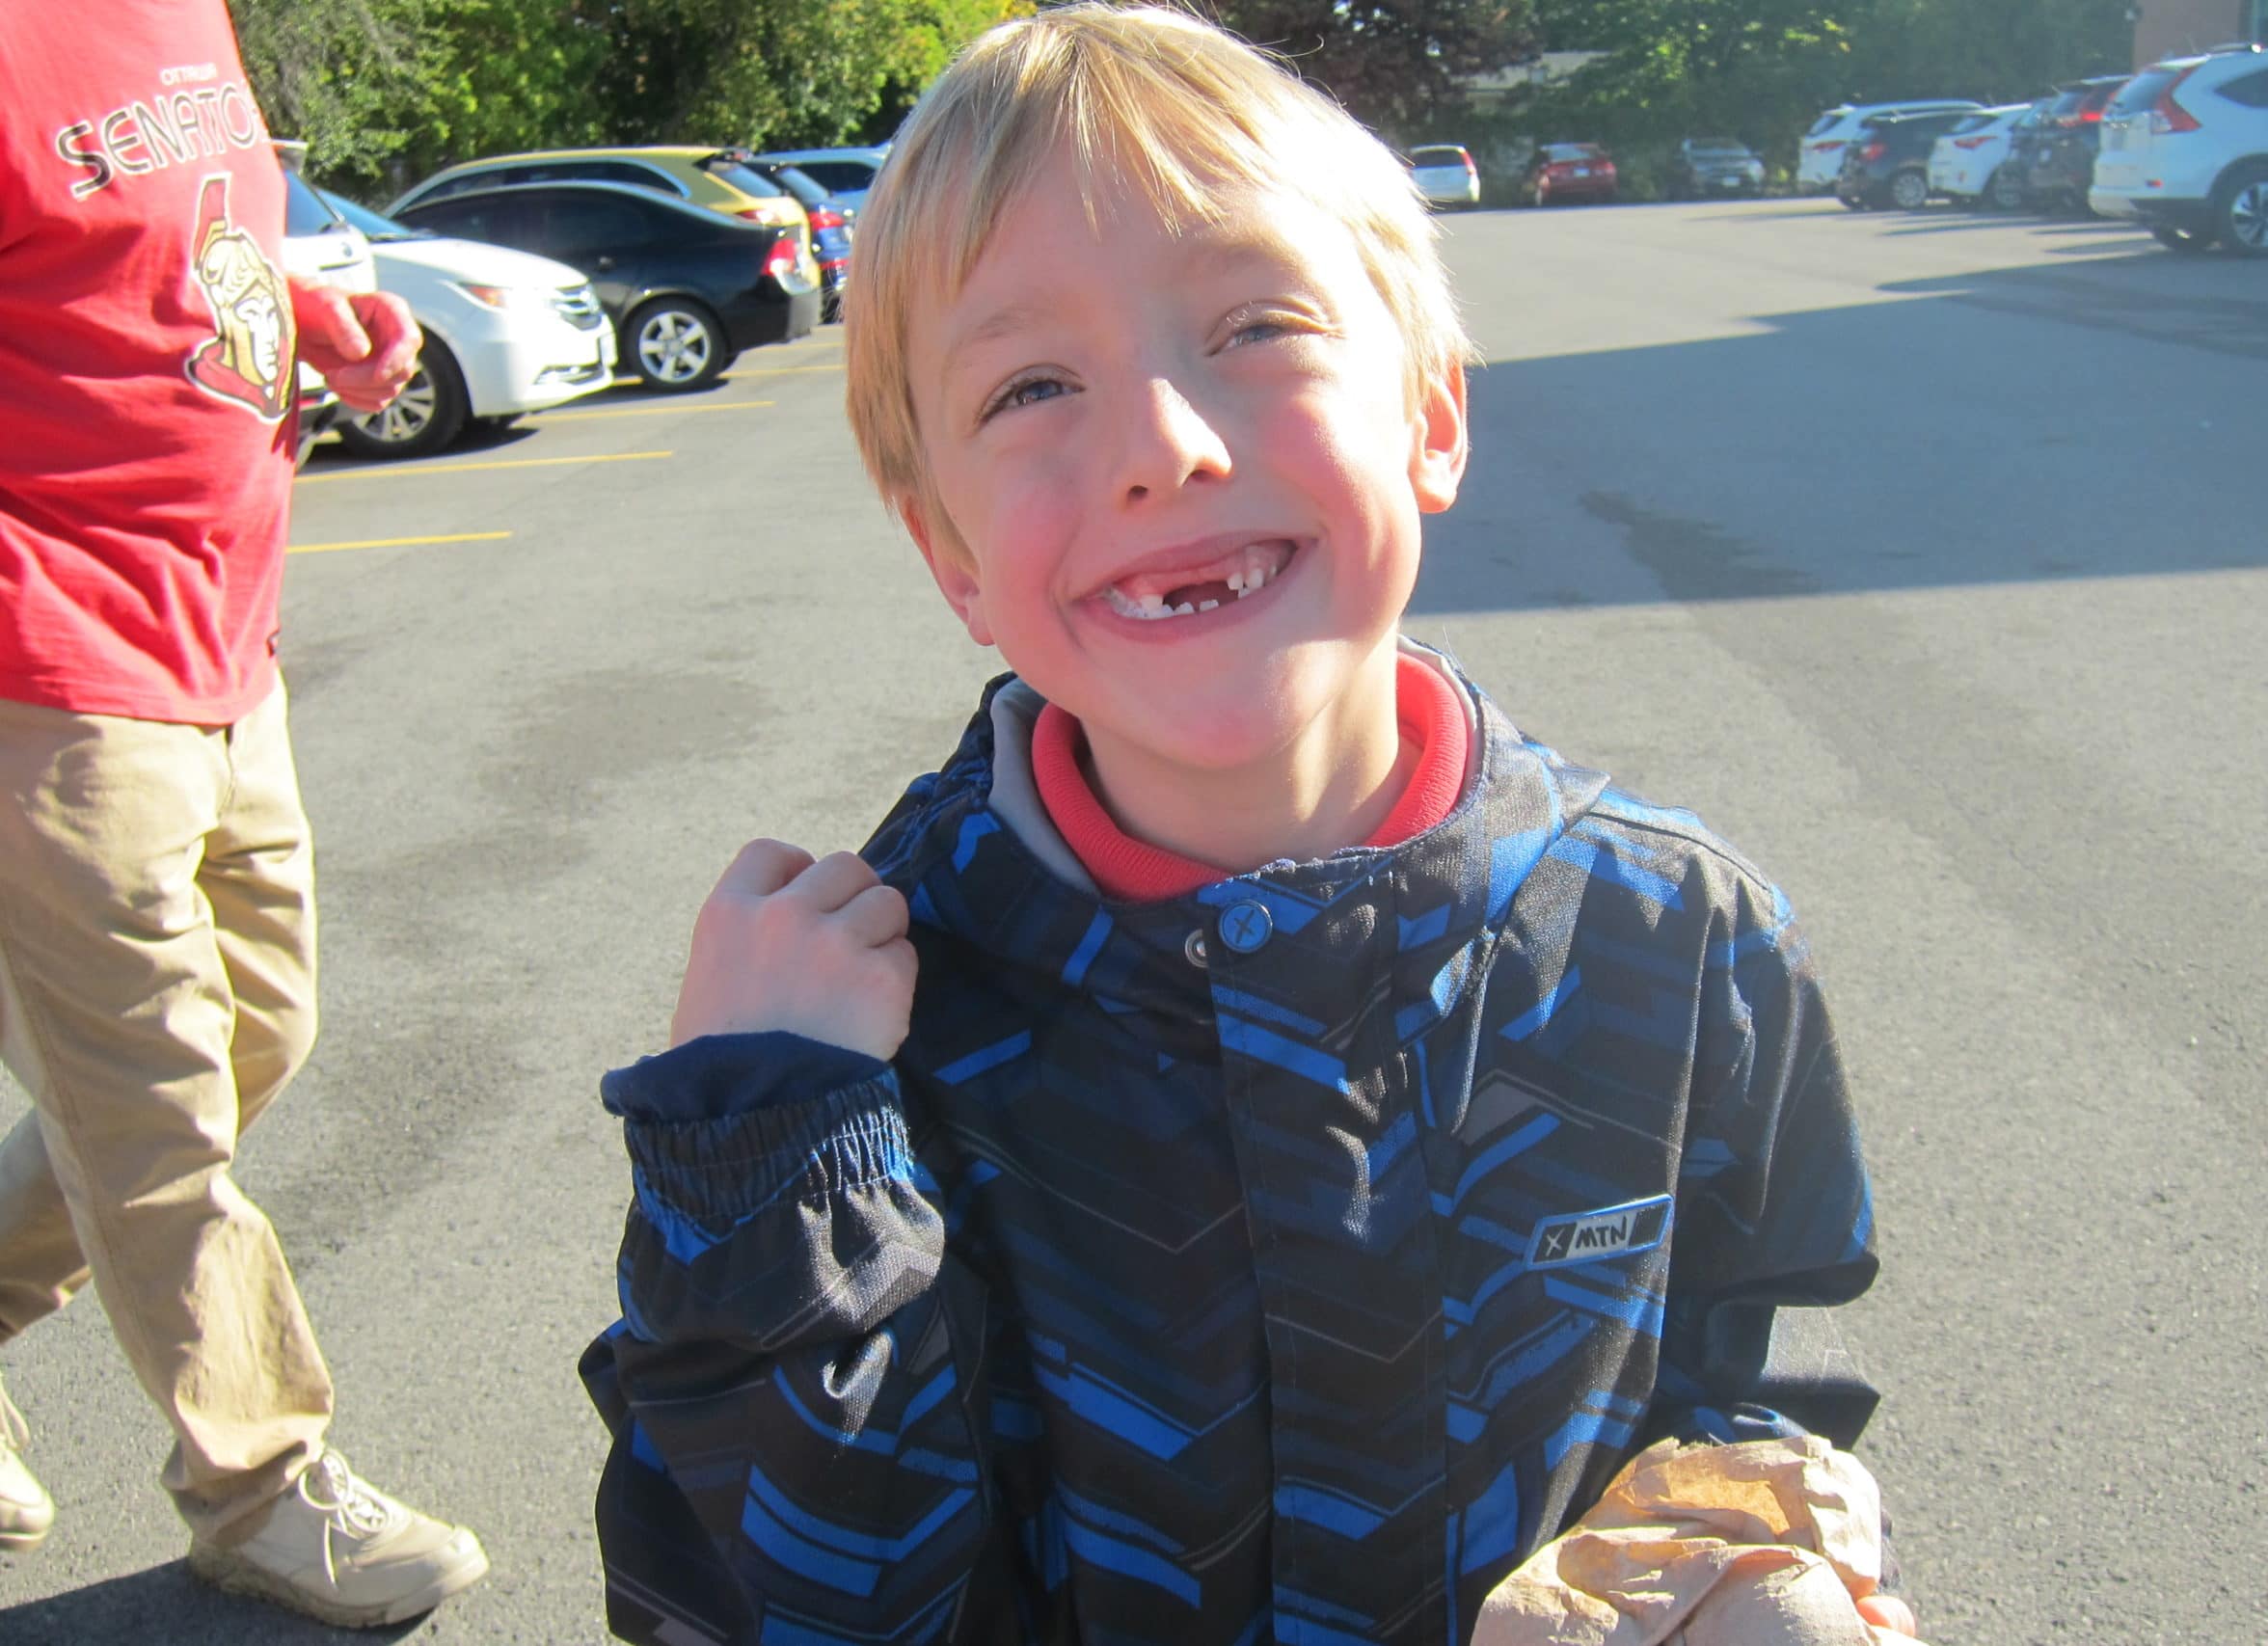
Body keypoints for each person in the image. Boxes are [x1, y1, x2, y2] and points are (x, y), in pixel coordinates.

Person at [580, 7, 1918, 1642]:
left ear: (1431, 418)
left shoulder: (1679, 948)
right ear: (951, 557)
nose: (1164, 446)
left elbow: (1742, 1365)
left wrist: (1748, 1557)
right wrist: (760, 1157)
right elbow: (754, 1601)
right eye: (1032, 385)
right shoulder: (859, 1050)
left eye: (1256, 326)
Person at [0, 1, 489, 1628]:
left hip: (225, 640)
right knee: (151, 1109)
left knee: (259, 1030)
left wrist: (301, 318)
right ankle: (261, 1485)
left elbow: (148, 257)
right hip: (51, 667)